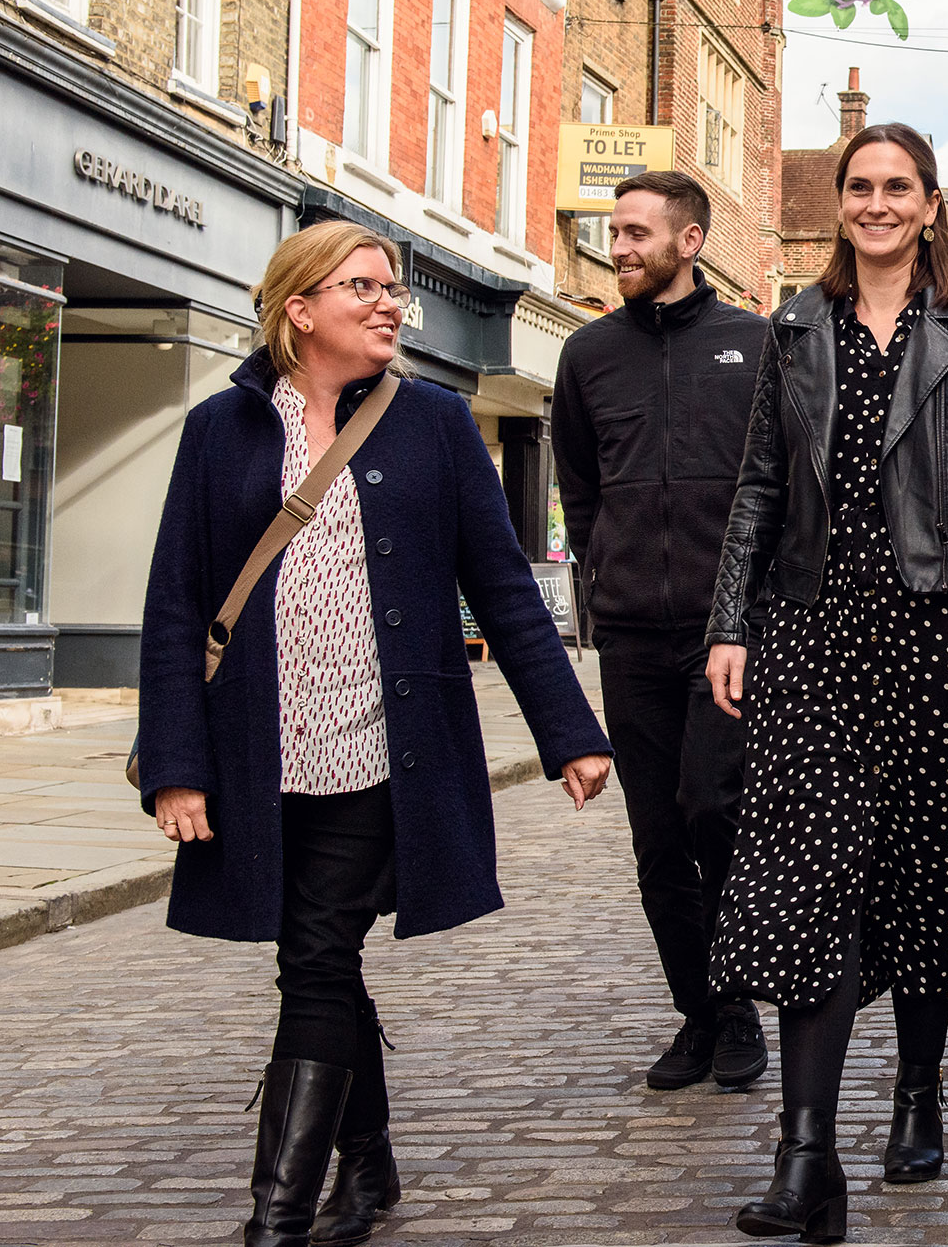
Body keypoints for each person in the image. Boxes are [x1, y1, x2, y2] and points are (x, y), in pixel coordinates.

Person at [137, 222, 615, 1247]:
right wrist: (175, 766)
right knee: (318, 961)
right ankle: (369, 1153)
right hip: (259, 750)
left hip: (375, 749)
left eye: (394, 288)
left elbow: (503, 590)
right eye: (364, 287)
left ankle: (277, 1217)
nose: (391, 302)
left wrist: (573, 731)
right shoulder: (220, 429)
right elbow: (177, 603)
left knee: (314, 954)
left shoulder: (435, 423)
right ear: (299, 308)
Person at [704, 123, 948, 1243]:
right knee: (806, 887)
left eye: (896, 187)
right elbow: (759, 481)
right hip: (810, 631)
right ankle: (806, 1158)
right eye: (858, 186)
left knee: (925, 875)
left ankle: (917, 1087)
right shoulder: (795, 323)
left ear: (928, 201)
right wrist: (731, 623)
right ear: (840, 203)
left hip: (935, 625)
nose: (874, 203)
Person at [551, 171, 770, 1092]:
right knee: (654, 838)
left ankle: (740, 1002)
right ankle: (703, 1014)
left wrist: (763, 611)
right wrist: (602, 580)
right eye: (614, 230)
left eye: (638, 232)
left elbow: (789, 489)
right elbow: (581, 484)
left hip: (731, 634)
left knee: (714, 811)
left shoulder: (759, 345)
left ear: (690, 242)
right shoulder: (588, 353)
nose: (620, 245)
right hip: (635, 632)